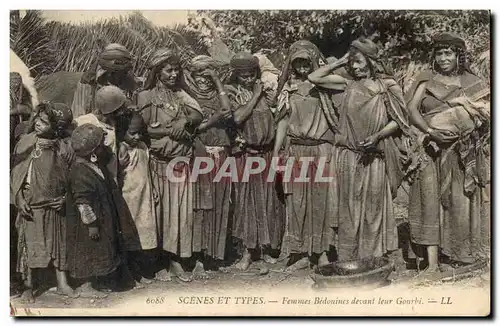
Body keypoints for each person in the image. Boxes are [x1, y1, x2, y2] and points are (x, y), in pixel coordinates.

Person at [308, 37, 410, 262]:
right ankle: (348, 257)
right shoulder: (346, 84)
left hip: (374, 157)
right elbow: (313, 77)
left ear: (372, 62)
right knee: (349, 209)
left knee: (373, 209)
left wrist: (378, 135)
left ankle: (372, 258)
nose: (353, 67)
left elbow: (400, 119)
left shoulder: (387, 86)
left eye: (358, 61)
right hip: (348, 156)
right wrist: (341, 61)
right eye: (351, 62)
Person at [405, 32, 490, 278]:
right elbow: (411, 110)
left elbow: (485, 116)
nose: (443, 58)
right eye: (439, 53)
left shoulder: (473, 82)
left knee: (460, 199)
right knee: (429, 200)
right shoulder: (426, 80)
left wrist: (467, 129)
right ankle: (432, 261)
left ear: (458, 56)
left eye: (448, 53)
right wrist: (431, 131)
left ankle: (461, 255)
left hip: (462, 151)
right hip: (430, 147)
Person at [137, 48, 204, 282]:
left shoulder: (181, 95)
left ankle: (176, 261)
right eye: (168, 70)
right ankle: (157, 263)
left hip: (180, 164)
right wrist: (170, 130)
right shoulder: (146, 97)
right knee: (159, 214)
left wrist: (185, 120)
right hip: (158, 165)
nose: (174, 74)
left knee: (179, 215)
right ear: (157, 72)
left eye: (176, 70)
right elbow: (141, 129)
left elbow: (198, 115)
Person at [273, 40, 337, 271]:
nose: (302, 68)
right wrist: (276, 152)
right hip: (296, 151)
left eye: (305, 63)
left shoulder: (325, 86)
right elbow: (282, 123)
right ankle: (300, 253)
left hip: (321, 150)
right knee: (297, 203)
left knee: (321, 203)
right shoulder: (288, 90)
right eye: (297, 63)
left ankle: (321, 254)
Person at [225, 52, 285, 271]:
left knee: (269, 201)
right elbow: (238, 118)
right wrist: (255, 95)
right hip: (246, 155)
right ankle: (248, 252)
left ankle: (266, 249)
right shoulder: (232, 92)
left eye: (251, 75)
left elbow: (280, 117)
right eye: (243, 76)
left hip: (267, 154)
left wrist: (264, 95)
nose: (248, 80)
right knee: (247, 203)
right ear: (236, 76)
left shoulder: (268, 93)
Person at [10, 102, 75, 303]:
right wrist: (19, 198)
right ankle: (29, 284)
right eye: (37, 119)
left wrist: (66, 199)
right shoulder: (26, 143)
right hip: (32, 204)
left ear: (57, 127)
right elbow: (16, 175)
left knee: (59, 243)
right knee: (30, 245)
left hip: (56, 205)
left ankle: (62, 281)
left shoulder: (64, 147)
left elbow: (72, 177)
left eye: (44, 122)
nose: (37, 123)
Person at [184, 55, 234, 275]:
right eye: (199, 75)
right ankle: (198, 259)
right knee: (201, 206)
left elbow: (227, 110)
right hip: (201, 157)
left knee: (220, 204)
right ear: (192, 76)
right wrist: (213, 121)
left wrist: (217, 81)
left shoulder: (219, 94)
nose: (202, 80)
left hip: (222, 154)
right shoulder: (188, 98)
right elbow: (192, 129)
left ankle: (214, 256)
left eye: (207, 75)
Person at [66, 124, 122, 298]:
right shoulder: (80, 172)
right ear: (92, 152)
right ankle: (85, 285)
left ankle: (96, 282)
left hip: (100, 218)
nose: (104, 147)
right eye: (100, 146)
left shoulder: (92, 165)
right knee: (88, 251)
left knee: (98, 250)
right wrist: (91, 225)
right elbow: (82, 202)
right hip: (87, 225)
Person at [118, 113, 157, 283]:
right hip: (129, 198)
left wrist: (153, 187)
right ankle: (130, 272)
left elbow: (148, 169)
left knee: (144, 232)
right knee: (129, 233)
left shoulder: (142, 146)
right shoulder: (121, 149)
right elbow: (118, 174)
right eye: (132, 133)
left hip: (144, 196)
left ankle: (141, 269)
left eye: (139, 133)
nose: (137, 137)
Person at [71, 43, 140, 119]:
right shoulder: (88, 83)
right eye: (111, 72)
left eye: (119, 72)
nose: (114, 75)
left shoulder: (130, 83)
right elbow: (78, 116)